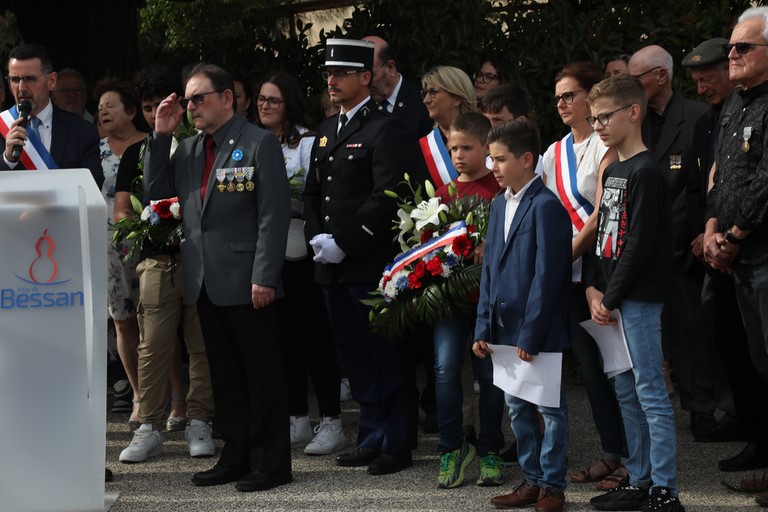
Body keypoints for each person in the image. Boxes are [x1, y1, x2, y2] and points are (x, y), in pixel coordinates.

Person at [145, 63, 292, 492]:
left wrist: (265, 275)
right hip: (205, 280)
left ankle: (271, 463)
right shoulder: (189, 148)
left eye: (198, 98)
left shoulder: (258, 142)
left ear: (227, 99)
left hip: (249, 281)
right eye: (187, 99)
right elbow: (157, 192)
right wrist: (161, 135)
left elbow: (273, 214)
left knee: (261, 374)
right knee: (225, 376)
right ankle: (237, 455)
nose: (190, 107)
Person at [303, 38, 417, 476]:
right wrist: (318, 240)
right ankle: (370, 434)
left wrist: (345, 241)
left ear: (365, 78)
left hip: (369, 261)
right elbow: (313, 194)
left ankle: (397, 440)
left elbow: (387, 197)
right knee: (353, 354)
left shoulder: (386, 129)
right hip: (332, 265)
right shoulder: (327, 131)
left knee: (385, 355)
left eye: (341, 74)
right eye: (329, 74)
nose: (331, 81)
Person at [584, 74, 685, 512]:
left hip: (637, 299)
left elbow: (639, 244)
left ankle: (664, 490)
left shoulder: (646, 171)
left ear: (633, 112)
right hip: (610, 298)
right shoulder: (615, 170)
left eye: (605, 116)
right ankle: (639, 478)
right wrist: (592, 289)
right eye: (593, 118)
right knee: (625, 390)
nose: (598, 125)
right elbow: (602, 237)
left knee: (650, 393)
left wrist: (611, 296)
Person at [115, 65, 215, 463]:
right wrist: (161, 135)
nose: (159, 110)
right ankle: (150, 426)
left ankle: (200, 421)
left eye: (165, 103)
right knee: (153, 345)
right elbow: (150, 197)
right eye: (149, 106)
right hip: (156, 261)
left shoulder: (198, 144)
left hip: (198, 259)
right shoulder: (142, 150)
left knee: (201, 345)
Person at [473, 117, 572, 512]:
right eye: (491, 159)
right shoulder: (499, 204)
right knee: (517, 406)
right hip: (503, 327)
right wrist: (483, 324)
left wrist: (531, 334)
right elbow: (489, 269)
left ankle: (553, 485)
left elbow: (549, 278)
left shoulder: (547, 206)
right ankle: (531, 479)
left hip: (538, 329)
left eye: (499, 159)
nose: (493, 167)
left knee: (550, 408)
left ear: (527, 159)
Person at [541, 62, 626, 491]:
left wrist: (558, 261)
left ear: (592, 98)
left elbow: (597, 215)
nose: (561, 103)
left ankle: (633, 459)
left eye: (569, 95)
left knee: (619, 370)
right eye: (557, 96)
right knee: (590, 370)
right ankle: (613, 452)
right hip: (566, 277)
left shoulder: (605, 145)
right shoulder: (551, 153)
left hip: (597, 271)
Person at [256, 71, 345, 456]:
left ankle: (332, 420)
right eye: (260, 99)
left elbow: (315, 196)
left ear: (288, 104)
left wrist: (278, 203)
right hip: (269, 256)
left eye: (273, 100)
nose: (264, 106)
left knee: (313, 340)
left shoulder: (308, 143)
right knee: (282, 341)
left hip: (302, 255)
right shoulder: (254, 143)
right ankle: (297, 418)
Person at [703, 8, 768, 506]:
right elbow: (721, 171)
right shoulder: (734, 103)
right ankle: (762, 450)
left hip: (761, 250)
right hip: (732, 251)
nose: (732, 55)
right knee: (756, 360)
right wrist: (711, 229)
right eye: (731, 47)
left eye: (743, 47)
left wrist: (739, 233)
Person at [681, 37, 757, 444]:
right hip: (714, 246)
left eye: (708, 78)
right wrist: (707, 232)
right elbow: (705, 184)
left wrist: (730, 236)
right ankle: (746, 425)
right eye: (695, 81)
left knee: (754, 346)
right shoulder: (708, 122)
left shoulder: (752, 109)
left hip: (747, 244)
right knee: (723, 337)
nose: (701, 88)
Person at [363, 34, 438, 434]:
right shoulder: (366, 110)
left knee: (428, 324)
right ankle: (405, 407)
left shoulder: (421, 103)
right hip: (384, 231)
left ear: (390, 68)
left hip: (426, 224)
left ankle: (434, 404)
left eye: (369, 69)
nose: (365, 78)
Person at [628, 45, 708, 405]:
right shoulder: (632, 121)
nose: (630, 85)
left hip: (688, 251)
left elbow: (704, 186)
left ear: (661, 75)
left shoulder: (698, 116)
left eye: (636, 77)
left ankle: (703, 409)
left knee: (692, 333)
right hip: (644, 250)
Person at [431, 112, 503, 489]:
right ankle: (451, 447)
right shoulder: (442, 195)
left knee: (488, 374)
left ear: (486, 146)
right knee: (444, 368)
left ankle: (490, 447)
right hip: (451, 300)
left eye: (466, 148)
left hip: (488, 301)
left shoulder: (499, 189)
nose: (458, 155)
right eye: (452, 148)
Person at [95, 79, 148, 432]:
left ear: (130, 110)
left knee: (155, 323)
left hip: (149, 242)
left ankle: (171, 397)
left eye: (110, 105)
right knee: (123, 322)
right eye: (99, 108)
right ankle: (139, 396)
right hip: (110, 249)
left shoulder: (152, 146)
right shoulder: (93, 151)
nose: (103, 111)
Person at [0, 44, 102, 187]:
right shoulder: (2, 124)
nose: (21, 88)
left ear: (52, 81)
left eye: (30, 79)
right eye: (15, 80)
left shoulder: (83, 131)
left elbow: (93, 184)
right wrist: (7, 160)